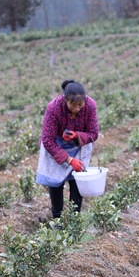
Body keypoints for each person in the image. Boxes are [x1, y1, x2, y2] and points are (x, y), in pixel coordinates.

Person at [39, 80, 99, 217]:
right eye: (73, 104)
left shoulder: (90, 105)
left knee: (77, 181)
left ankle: (74, 220)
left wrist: (77, 135)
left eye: (80, 104)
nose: (77, 108)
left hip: (79, 145)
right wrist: (69, 160)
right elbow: (47, 140)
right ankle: (57, 219)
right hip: (55, 145)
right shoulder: (54, 107)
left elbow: (93, 133)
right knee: (55, 182)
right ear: (65, 100)